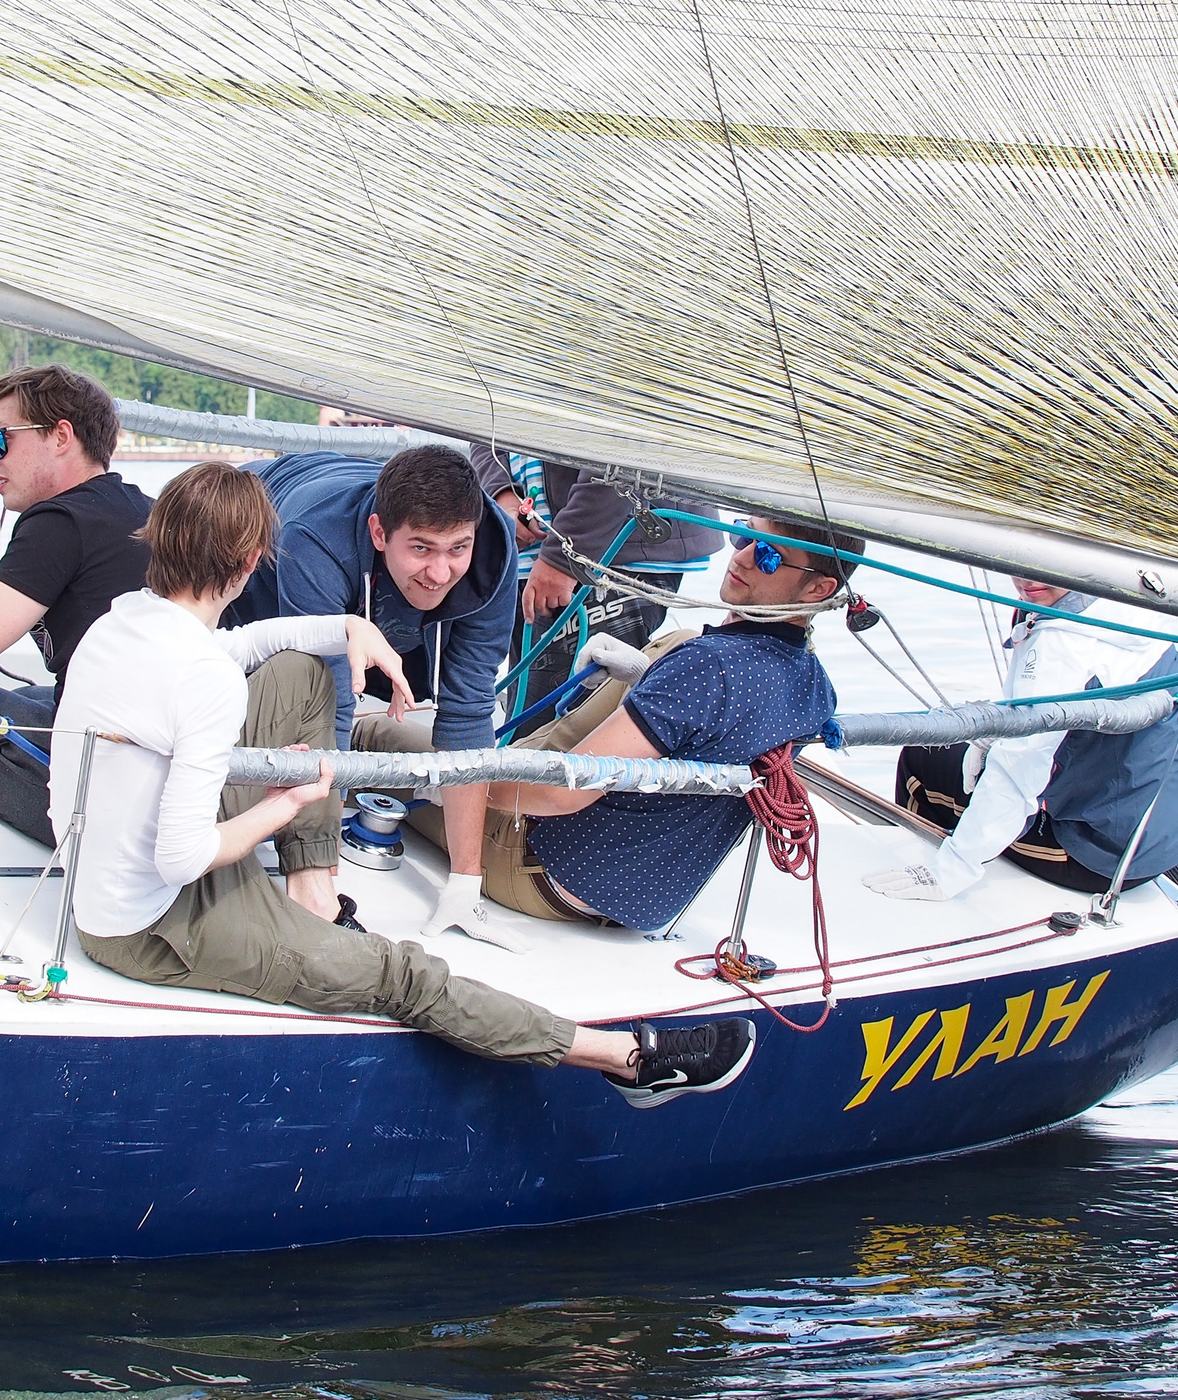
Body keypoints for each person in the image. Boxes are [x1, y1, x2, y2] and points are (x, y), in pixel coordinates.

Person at [55, 462, 756, 1108]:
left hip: (105, 883)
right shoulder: (201, 680)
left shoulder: (121, 624)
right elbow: (181, 858)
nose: (443, 567)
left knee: (298, 666)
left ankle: (311, 884)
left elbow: (241, 646)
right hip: (152, 925)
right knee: (402, 976)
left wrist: (349, 626)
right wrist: (285, 804)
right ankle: (625, 1058)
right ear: (249, 563)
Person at [396, 516, 854, 936]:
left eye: (769, 554)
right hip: (643, 904)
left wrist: (461, 791)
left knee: (379, 738)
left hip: (538, 871)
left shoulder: (708, 666)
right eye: (744, 535)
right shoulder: (815, 686)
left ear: (818, 590)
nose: (742, 555)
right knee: (679, 641)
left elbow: (559, 792)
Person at [226, 445, 517, 939]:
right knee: (297, 684)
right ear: (380, 533)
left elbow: (469, 713)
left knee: (462, 705)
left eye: (457, 549)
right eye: (422, 548)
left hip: (375, 574)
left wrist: (465, 887)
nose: (441, 572)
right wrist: (322, 879)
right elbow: (330, 706)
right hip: (262, 523)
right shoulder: (317, 538)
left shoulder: (493, 552)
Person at [863, 577, 1178, 900]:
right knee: (957, 753)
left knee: (921, 757)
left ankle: (918, 871)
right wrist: (989, 738)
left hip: (1099, 856)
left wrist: (951, 870)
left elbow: (1017, 772)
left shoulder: (1061, 644)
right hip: (1166, 831)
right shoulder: (1131, 600)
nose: (1026, 580)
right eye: (1017, 563)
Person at [0, 366, 155, 845]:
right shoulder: (141, 509)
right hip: (155, 759)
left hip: (107, 780)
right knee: (30, 698)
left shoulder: (60, 521)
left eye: (0, 441)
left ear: (60, 436)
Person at [469, 444, 722, 713]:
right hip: (527, 555)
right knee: (528, 712)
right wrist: (501, 492)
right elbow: (480, 418)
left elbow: (625, 441)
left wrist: (567, 555)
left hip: (609, 553)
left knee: (569, 721)